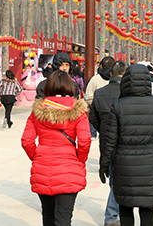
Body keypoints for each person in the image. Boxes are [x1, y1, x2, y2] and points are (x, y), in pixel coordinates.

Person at [99, 64, 153, 226]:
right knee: (147, 210)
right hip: (149, 166)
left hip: (125, 166)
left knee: (126, 208)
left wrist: (104, 164)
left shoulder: (118, 105)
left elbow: (110, 140)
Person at [21, 70, 91, 226]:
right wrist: (80, 158)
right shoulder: (78, 111)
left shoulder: (37, 112)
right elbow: (85, 140)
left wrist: (37, 156)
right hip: (69, 170)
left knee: (48, 216)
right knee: (64, 219)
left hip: (43, 168)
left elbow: (26, 141)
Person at [88, 60, 128, 226]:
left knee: (113, 176)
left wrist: (103, 130)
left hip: (105, 140)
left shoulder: (100, 93)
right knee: (121, 179)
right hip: (124, 140)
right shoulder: (128, 93)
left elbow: (93, 118)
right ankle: (112, 214)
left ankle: (114, 211)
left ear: (111, 73)